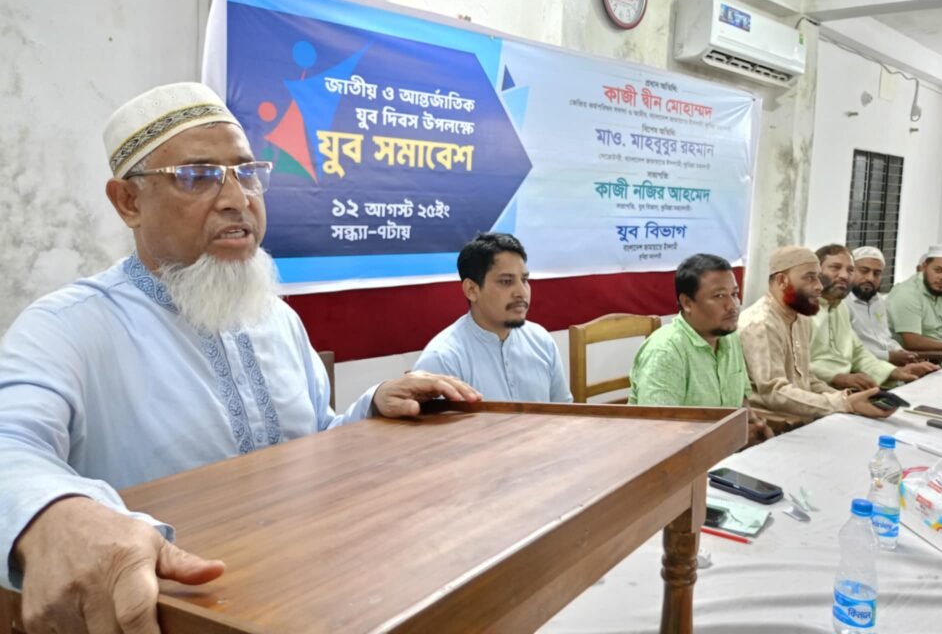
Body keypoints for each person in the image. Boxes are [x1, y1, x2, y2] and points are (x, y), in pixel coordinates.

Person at [0, 82, 481, 632]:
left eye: (247, 173)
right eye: (197, 176)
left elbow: (310, 441)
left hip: (302, 596)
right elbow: (10, 445)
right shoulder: (67, 326)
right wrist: (52, 513)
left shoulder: (274, 316)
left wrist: (371, 408)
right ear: (129, 202)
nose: (237, 199)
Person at [738, 245, 895, 424]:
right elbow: (775, 392)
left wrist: (847, 398)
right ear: (782, 281)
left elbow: (806, 378)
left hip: (806, 418)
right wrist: (842, 403)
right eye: (810, 278)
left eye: (819, 278)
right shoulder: (762, 324)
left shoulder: (800, 318)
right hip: (775, 426)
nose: (819, 286)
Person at [628, 253, 771, 445]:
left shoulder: (729, 337)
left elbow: (741, 401)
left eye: (734, 294)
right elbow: (659, 436)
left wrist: (754, 425)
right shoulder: (665, 352)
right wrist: (731, 440)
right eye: (719, 296)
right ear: (687, 303)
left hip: (726, 450)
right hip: (680, 457)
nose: (733, 306)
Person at [413, 232, 571, 402]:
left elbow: (565, 409)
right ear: (471, 290)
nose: (521, 292)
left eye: (524, 280)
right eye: (506, 281)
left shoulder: (541, 340)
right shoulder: (442, 360)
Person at [810, 244, 937, 391]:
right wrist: (838, 377)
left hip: (846, 388)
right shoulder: (801, 312)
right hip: (813, 391)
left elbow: (858, 353)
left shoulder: (839, 308)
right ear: (815, 272)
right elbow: (794, 366)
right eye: (835, 267)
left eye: (850, 270)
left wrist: (894, 372)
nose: (844, 275)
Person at [886, 244, 942, 360]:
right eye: (938, 270)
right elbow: (912, 342)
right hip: (910, 361)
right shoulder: (907, 293)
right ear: (924, 267)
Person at [847, 246, 925, 365]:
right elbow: (848, 350)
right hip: (862, 368)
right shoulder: (842, 303)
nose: (870, 278)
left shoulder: (878, 300)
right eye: (864, 271)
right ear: (850, 271)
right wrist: (888, 356)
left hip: (887, 365)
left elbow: (885, 339)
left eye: (877, 273)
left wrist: (903, 353)